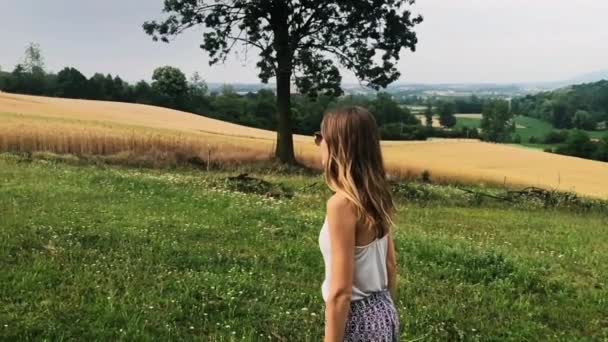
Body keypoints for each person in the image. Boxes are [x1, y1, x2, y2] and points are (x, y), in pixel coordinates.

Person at [315, 106, 400, 341]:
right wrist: (387, 316)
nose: (318, 143)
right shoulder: (376, 194)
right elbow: (391, 265)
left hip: (357, 320)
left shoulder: (341, 205)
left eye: (319, 137)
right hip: (383, 311)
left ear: (336, 145)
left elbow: (341, 292)